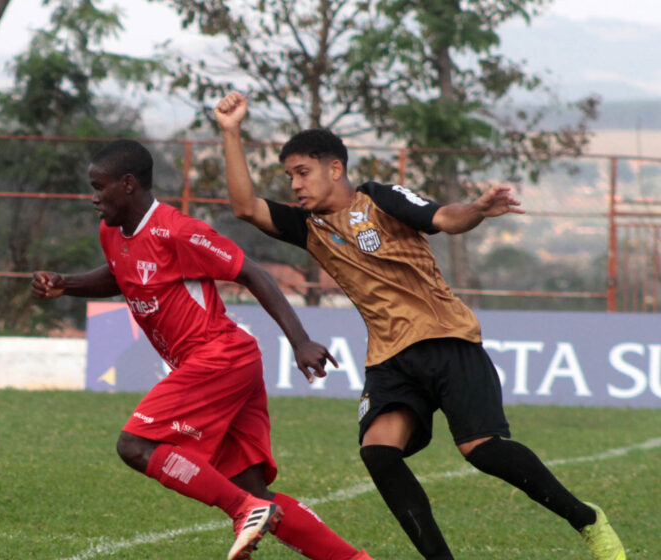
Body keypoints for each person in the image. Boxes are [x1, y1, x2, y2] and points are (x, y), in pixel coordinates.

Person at [214, 91, 627, 560]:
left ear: (335, 169)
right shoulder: (307, 226)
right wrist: (231, 131)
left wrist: (476, 208)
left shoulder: (380, 199)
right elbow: (246, 207)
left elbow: (443, 219)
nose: (294, 185)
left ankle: (587, 519)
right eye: (289, 176)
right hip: (389, 359)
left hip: (446, 339)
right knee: (378, 452)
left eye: (302, 172)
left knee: (483, 450)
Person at [31, 139, 374, 560]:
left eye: (99, 187)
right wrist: (67, 283)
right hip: (224, 366)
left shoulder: (178, 231)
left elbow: (252, 273)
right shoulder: (112, 233)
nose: (94, 197)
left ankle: (243, 510)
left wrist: (300, 341)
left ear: (127, 185)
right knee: (254, 487)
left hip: (220, 357)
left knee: (135, 445)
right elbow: (121, 274)